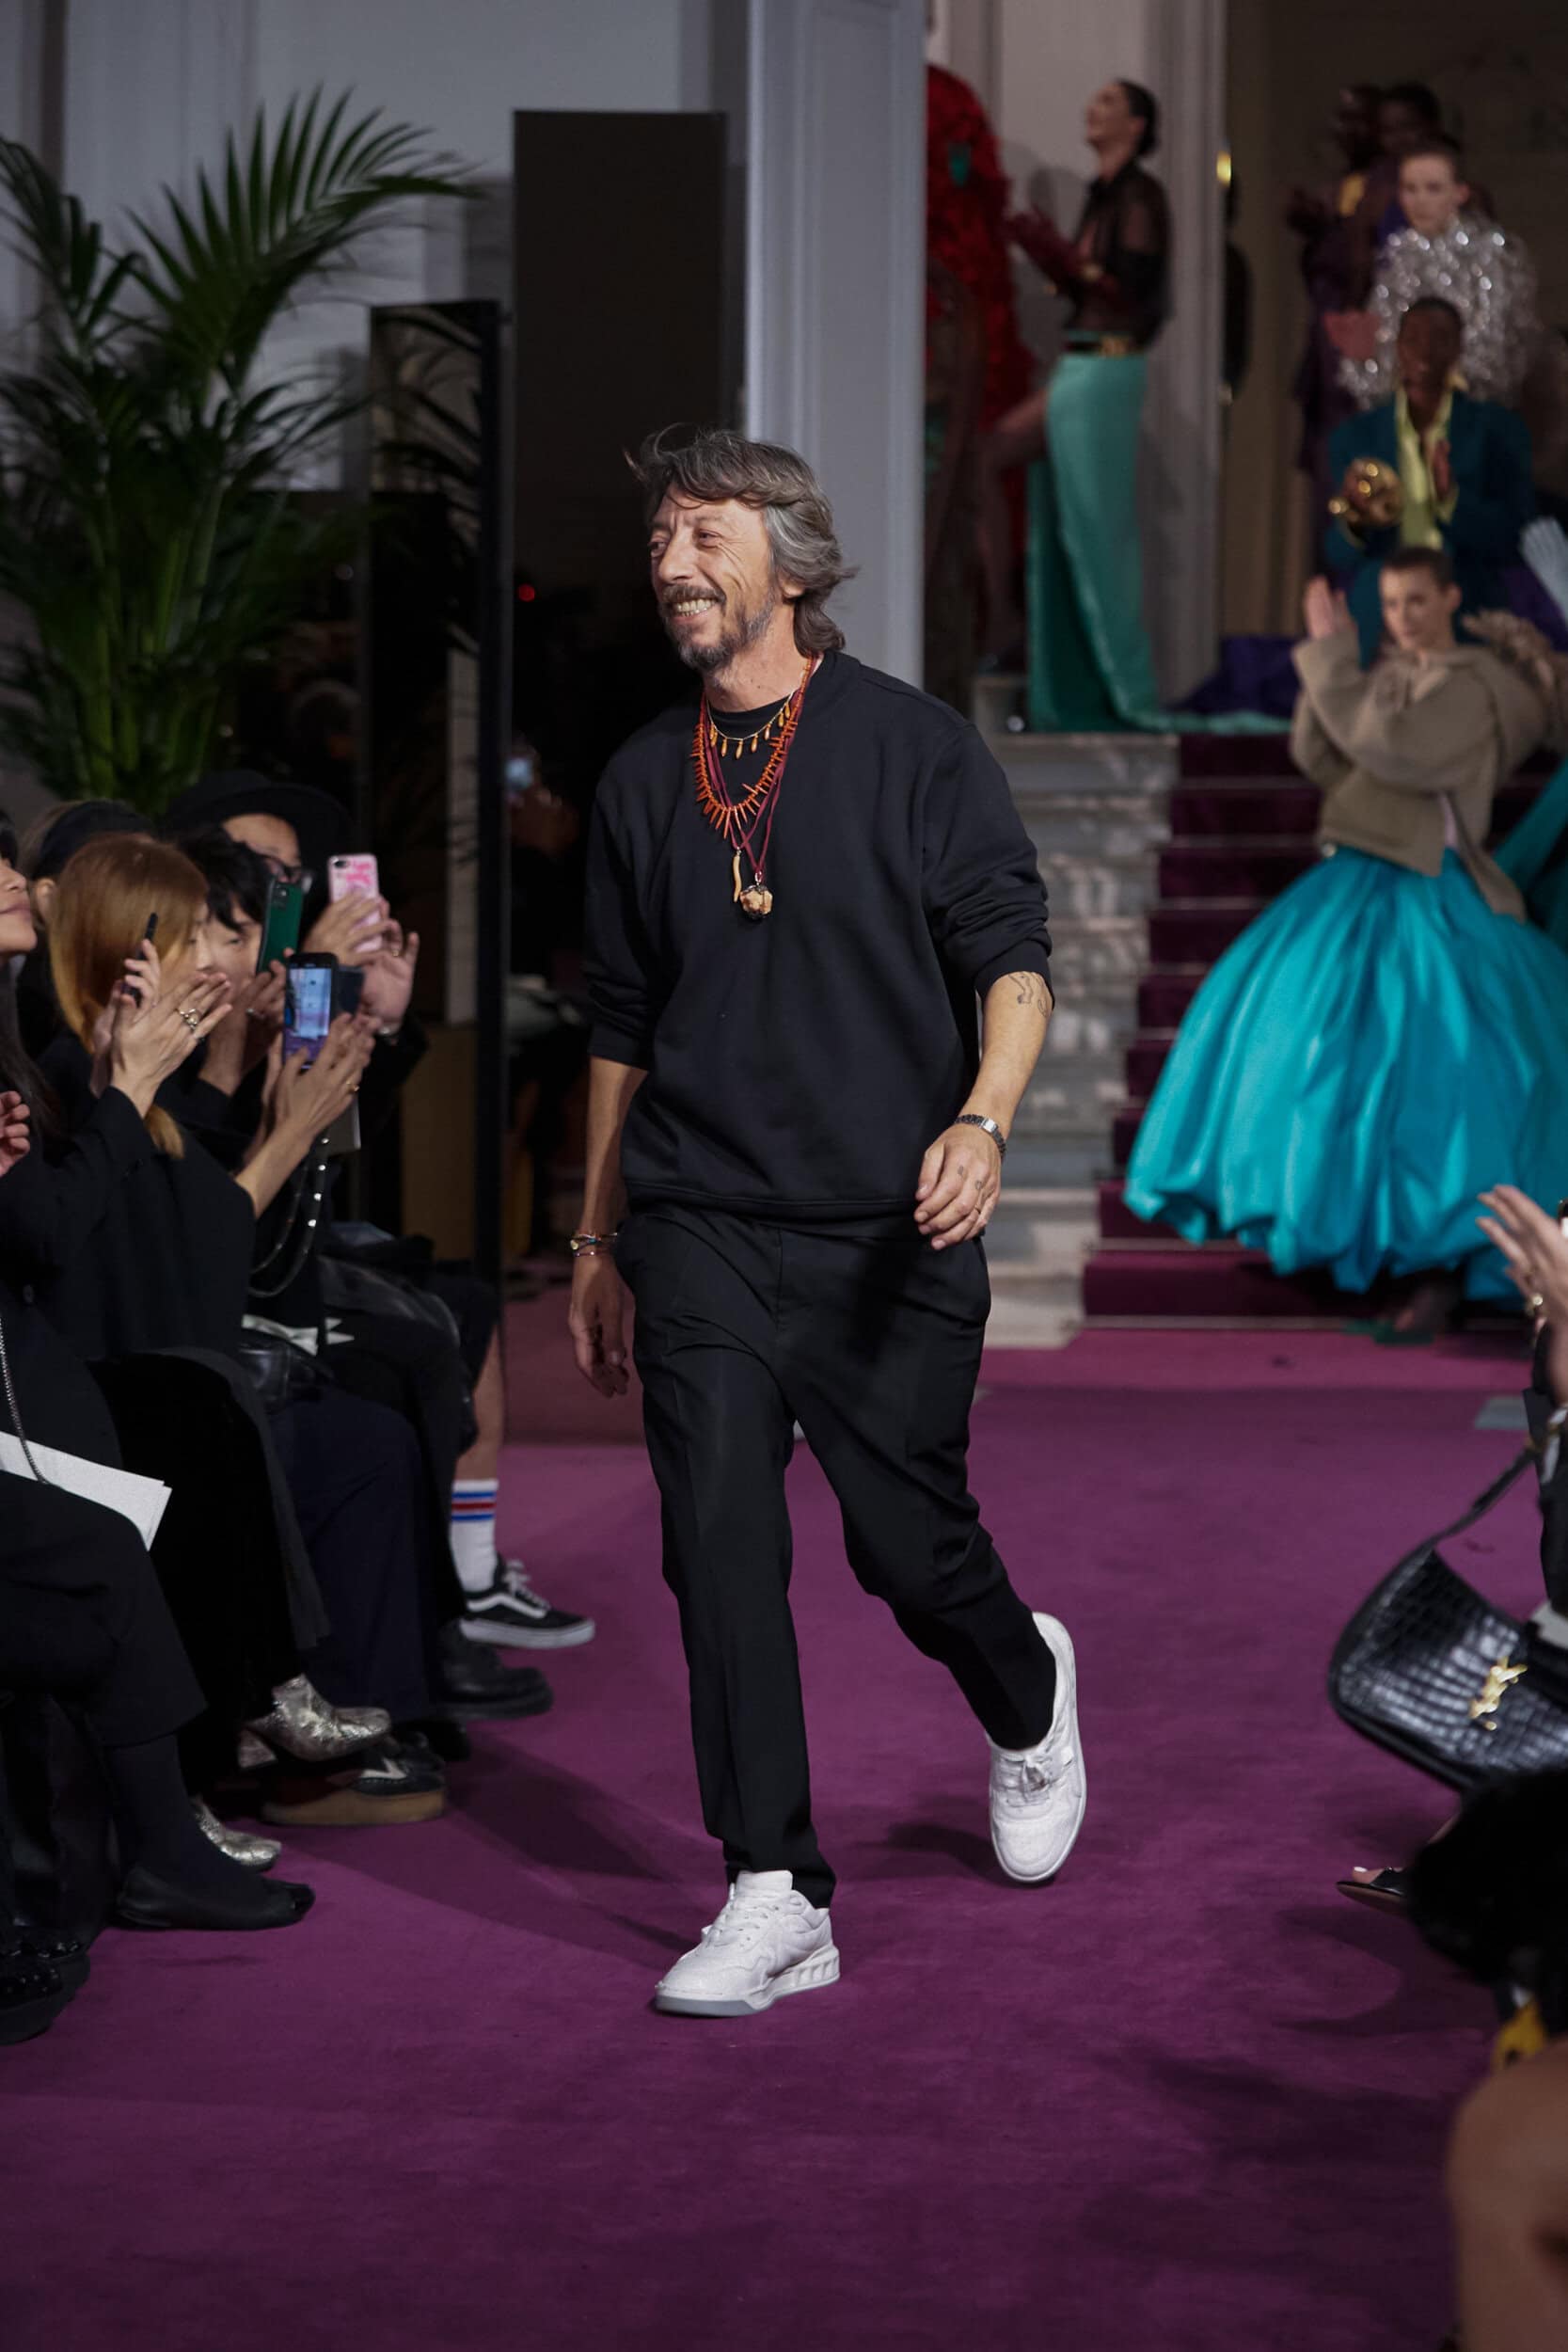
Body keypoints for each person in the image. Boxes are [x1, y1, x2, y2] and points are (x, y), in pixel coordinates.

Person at [570, 425, 1085, 2019]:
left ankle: (1025, 1691)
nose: (672, 563)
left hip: (885, 1223)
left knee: (905, 1551)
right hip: (699, 1218)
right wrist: (594, 1239)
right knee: (715, 1536)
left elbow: (1010, 956)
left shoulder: (911, 748)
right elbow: (617, 1027)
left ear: (790, 562)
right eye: (660, 538)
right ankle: (775, 1888)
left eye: (704, 534)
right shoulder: (638, 779)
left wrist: (981, 1121)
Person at [1125, 549, 1568, 1337]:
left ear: (1451, 599)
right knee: (1309, 1059)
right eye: (1391, 604)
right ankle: (1358, 1247)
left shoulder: (1475, 687)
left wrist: (1332, 667)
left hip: (1430, 887)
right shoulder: (1387, 681)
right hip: (1355, 877)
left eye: (1416, 601)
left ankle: (1436, 1264)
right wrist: (1330, 671)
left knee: (1440, 1076)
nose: (1402, 618)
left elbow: (1403, 752)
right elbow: (1325, 758)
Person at [978, 78, 1170, 725]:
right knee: (998, 467)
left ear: (1137, 125)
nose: (1092, 109)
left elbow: (1130, 293)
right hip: (1081, 362)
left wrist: (1065, 259)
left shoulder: (1141, 196)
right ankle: (1023, 639)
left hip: (1107, 368)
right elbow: (1089, 284)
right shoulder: (1103, 195)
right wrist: (1053, 259)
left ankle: (1125, 691)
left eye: (1109, 103)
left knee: (1096, 530)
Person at [1327, 298, 1535, 663]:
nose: (1425, 350)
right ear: (1398, 347)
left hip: (1469, 621)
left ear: (1457, 348)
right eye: (1414, 338)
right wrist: (1357, 519)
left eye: (1440, 338)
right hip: (1382, 626)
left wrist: (1451, 500)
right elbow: (1337, 552)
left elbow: (1515, 538)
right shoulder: (1356, 437)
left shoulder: (1497, 432)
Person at [1338, 140, 1547, 422]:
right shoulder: (1399, 256)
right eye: (1410, 189)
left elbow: (1497, 351)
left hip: (1475, 414)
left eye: (1433, 188)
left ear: (1460, 193)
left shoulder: (1491, 255)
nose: (1420, 200)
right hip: (1406, 411)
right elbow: (1382, 342)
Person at [1285, 83, 1385, 516]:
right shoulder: (1340, 186)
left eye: (1355, 118)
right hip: (1328, 342)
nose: (1343, 129)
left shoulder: (1386, 186)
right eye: (1340, 119)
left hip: (1368, 343)